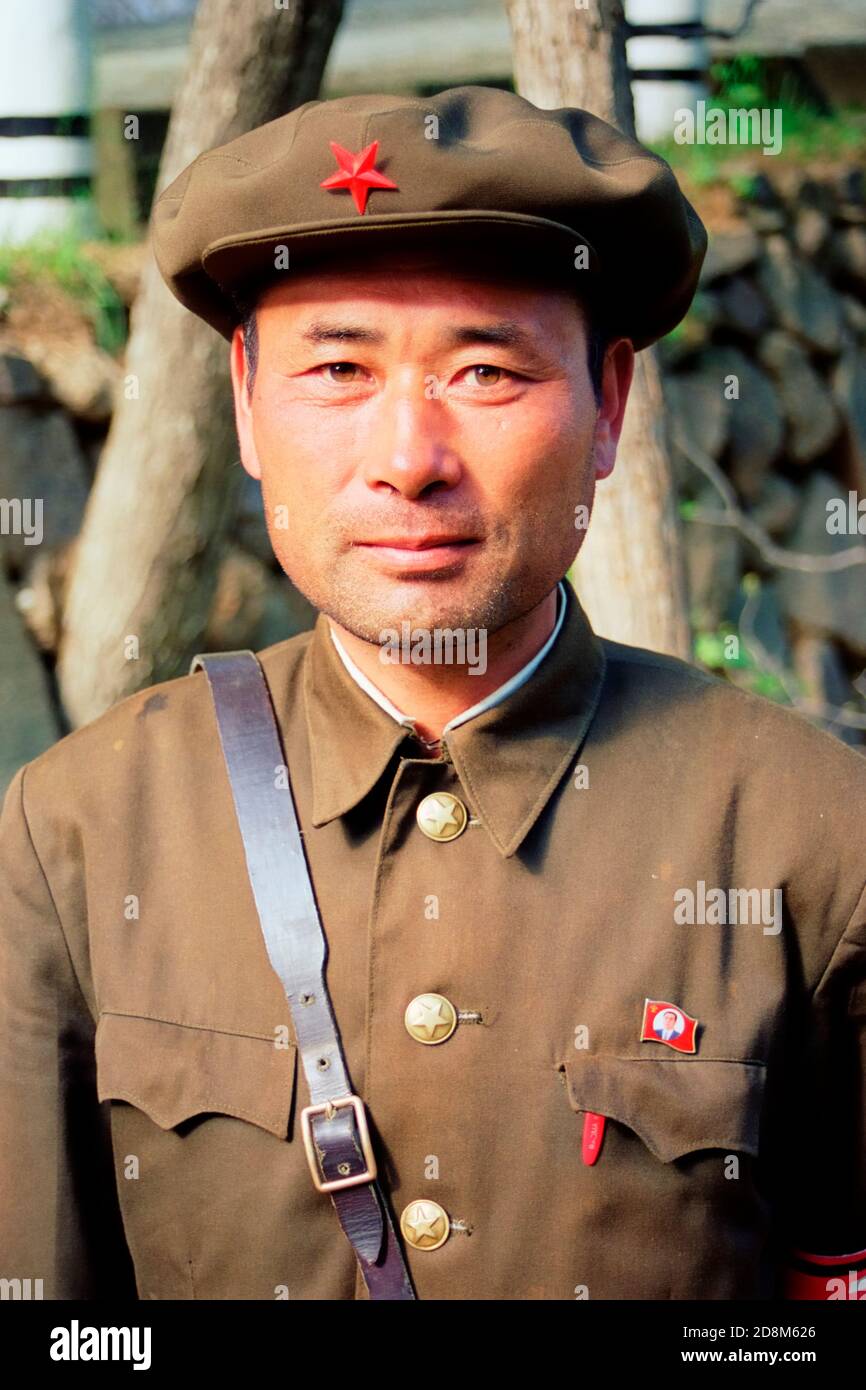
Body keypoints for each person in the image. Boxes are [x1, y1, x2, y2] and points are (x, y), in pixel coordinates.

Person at [1, 85, 864, 1302]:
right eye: (339, 367)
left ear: (609, 405)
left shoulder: (811, 835)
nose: (407, 460)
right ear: (246, 404)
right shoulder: (79, 833)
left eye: (485, 371)